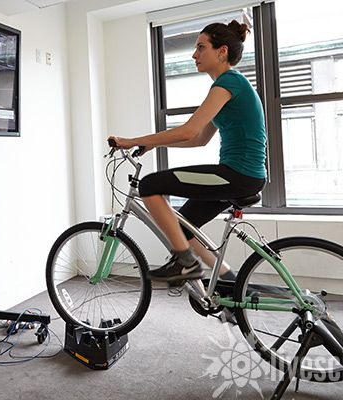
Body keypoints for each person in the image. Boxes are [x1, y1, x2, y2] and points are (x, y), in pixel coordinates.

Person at [109, 20, 267, 283]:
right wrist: (153, 143)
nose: (194, 54)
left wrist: (131, 140)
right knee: (184, 226)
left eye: (201, 47)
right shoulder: (230, 85)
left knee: (149, 185)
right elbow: (199, 139)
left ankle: (185, 263)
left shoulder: (229, 83)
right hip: (241, 175)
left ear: (222, 51)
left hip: (237, 175)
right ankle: (229, 282)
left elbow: (188, 131)